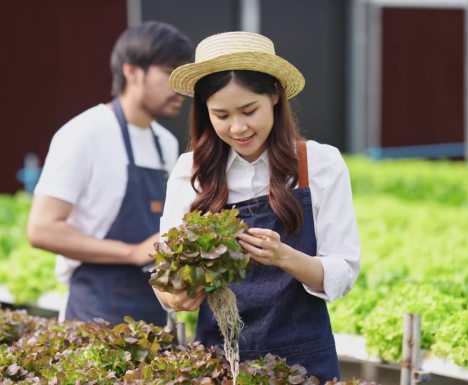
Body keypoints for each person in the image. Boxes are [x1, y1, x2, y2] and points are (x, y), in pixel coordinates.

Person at [153, 31, 360, 382]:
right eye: (221, 115)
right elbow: (165, 271)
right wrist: (174, 294)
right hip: (217, 362)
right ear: (205, 112)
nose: (238, 127)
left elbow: (343, 273)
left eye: (250, 110)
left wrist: (284, 257)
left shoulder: (320, 163)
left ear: (276, 96)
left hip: (303, 361)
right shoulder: (191, 171)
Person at [27, 21, 194, 326]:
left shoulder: (166, 143)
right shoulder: (84, 133)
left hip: (155, 309)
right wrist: (132, 252)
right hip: (95, 312)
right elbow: (42, 229)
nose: (179, 87)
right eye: (170, 73)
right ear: (131, 71)